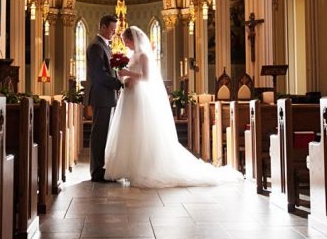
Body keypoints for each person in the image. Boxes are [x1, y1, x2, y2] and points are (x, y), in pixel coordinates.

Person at [103, 26, 242, 187]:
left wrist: (128, 74)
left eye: (126, 41)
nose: (124, 44)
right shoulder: (131, 55)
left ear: (133, 39)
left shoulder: (143, 56)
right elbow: (131, 74)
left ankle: (142, 168)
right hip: (129, 97)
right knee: (128, 130)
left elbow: (146, 77)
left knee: (141, 131)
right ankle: (126, 168)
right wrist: (125, 78)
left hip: (139, 97)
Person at [85, 15, 123, 182]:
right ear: (102, 27)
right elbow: (99, 75)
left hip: (106, 96)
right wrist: (119, 83)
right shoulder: (96, 47)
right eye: (112, 30)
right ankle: (97, 171)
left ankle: (100, 168)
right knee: (99, 134)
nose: (114, 33)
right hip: (101, 96)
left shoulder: (104, 46)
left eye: (115, 30)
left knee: (103, 133)